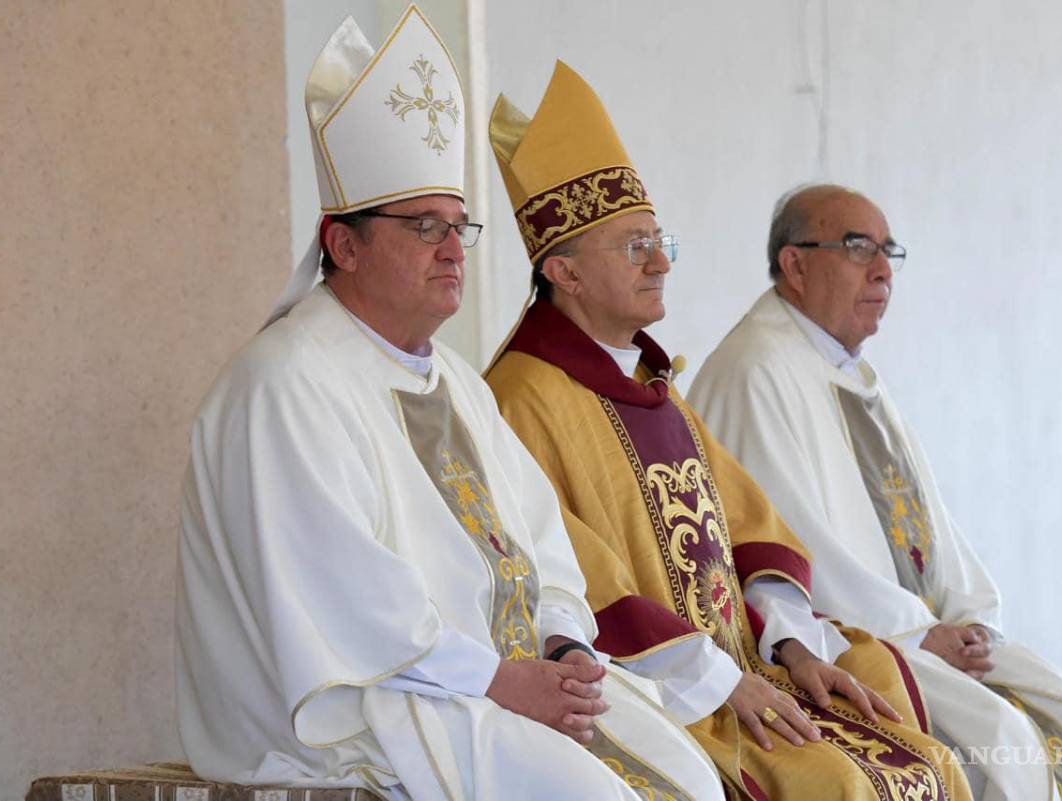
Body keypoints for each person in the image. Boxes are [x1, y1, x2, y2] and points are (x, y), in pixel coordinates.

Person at [175, 9, 724, 801]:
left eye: (457, 225)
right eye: (423, 225)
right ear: (344, 244)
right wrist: (500, 680)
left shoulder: (459, 382)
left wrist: (566, 646)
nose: (450, 248)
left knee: (691, 778)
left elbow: (540, 543)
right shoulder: (286, 383)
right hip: (365, 709)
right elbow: (347, 605)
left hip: (481, 688)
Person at [484, 62, 971, 801]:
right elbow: (575, 584)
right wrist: (718, 682)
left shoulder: (655, 389)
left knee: (928, 757)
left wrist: (792, 644)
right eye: (634, 246)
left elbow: (752, 529)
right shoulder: (521, 397)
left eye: (660, 241)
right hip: (666, 692)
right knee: (838, 782)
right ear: (567, 273)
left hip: (748, 667)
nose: (660, 263)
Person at [688, 184, 1062, 801]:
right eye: (857, 248)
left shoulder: (847, 371)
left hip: (913, 633)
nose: (882, 271)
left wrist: (967, 614)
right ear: (794, 264)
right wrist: (914, 633)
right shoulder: (755, 370)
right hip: (835, 648)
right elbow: (786, 548)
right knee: (1004, 742)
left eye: (888, 252)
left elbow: (923, 525)